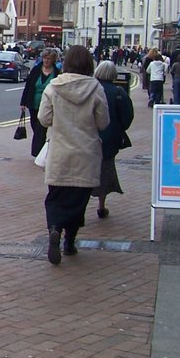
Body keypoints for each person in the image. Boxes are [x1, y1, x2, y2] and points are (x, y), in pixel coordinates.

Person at [38, 46, 110, 265]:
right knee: (78, 200)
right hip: (85, 153)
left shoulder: (53, 87)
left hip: (60, 151)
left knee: (56, 196)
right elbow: (103, 122)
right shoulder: (95, 88)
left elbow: (43, 118)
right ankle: (69, 241)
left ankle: (54, 229)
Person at [93, 60, 134, 220]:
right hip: (109, 139)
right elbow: (127, 117)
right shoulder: (118, 92)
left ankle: (80, 204)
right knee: (105, 170)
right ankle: (101, 206)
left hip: (87, 137)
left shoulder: (89, 90)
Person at [21, 48, 60, 157]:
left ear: (53, 60)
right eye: (44, 58)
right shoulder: (36, 70)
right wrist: (23, 102)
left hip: (49, 105)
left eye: (49, 59)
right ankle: (41, 150)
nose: (46, 61)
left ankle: (38, 153)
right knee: (35, 126)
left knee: (41, 128)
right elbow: (28, 86)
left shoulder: (57, 72)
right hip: (34, 103)